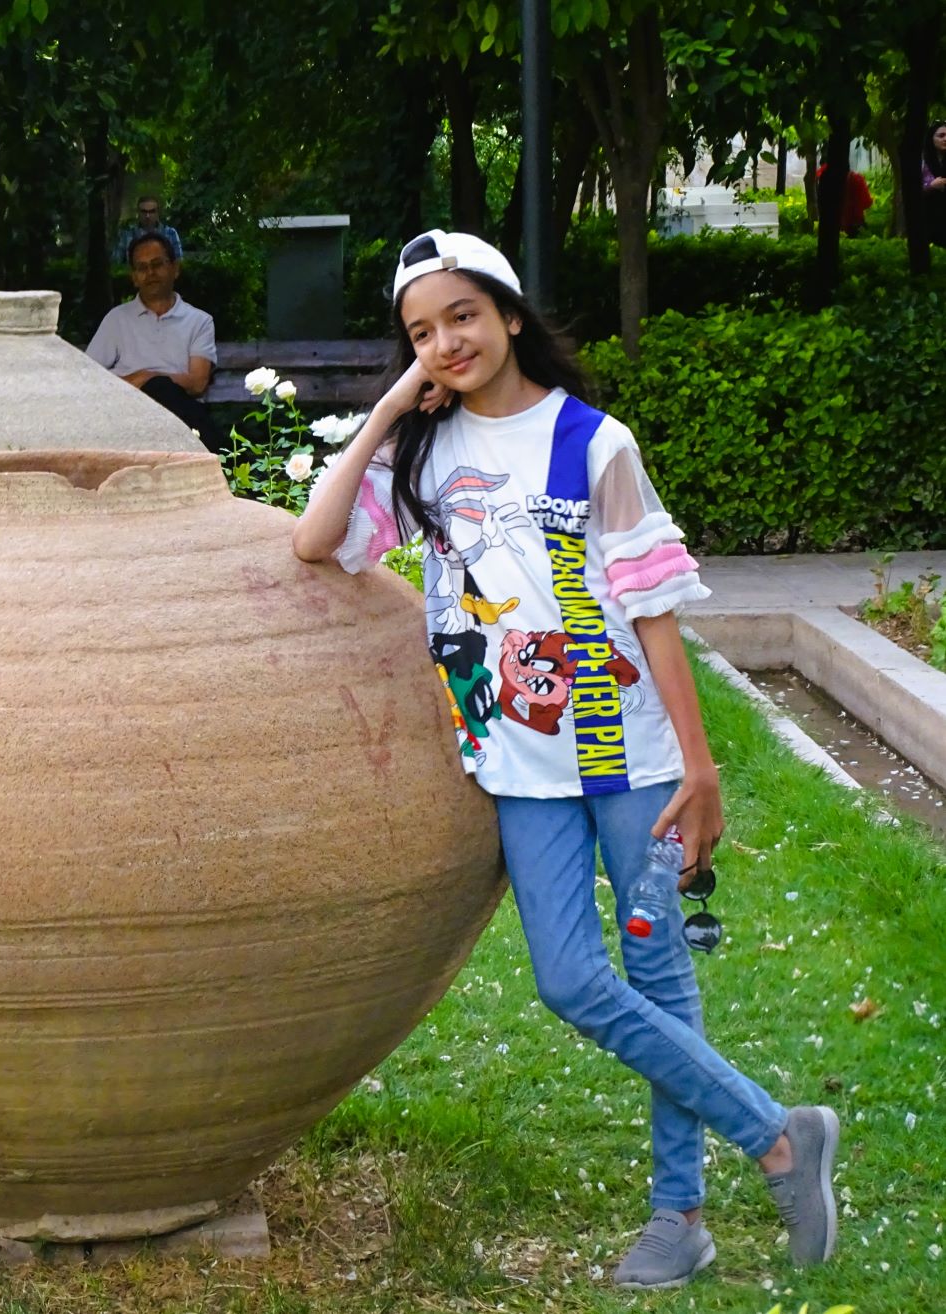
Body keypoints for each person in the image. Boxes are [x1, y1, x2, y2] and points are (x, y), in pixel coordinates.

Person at [293, 229, 840, 1291]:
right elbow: (317, 541)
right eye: (419, 332)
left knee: (654, 976)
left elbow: (652, 610)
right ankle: (777, 1137)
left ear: (506, 313)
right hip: (513, 761)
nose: (445, 342)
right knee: (568, 980)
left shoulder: (592, 444)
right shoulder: (423, 455)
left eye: (460, 316)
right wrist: (387, 410)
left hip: (621, 751)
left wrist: (700, 764)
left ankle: (677, 1217)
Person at [86, 231, 222, 452]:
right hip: (130, 416)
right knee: (157, 388)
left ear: (175, 268)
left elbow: (197, 383)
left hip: (181, 416)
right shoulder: (117, 319)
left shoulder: (199, 321)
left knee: (161, 387)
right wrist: (138, 381)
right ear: (134, 277)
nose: (150, 273)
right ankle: (234, 466)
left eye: (157, 264)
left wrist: (149, 376)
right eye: (141, 267)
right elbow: (89, 376)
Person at [112, 194, 183, 264]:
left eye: (152, 211)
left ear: (158, 213)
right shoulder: (127, 234)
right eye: (144, 211)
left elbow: (178, 262)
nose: (147, 216)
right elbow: (116, 263)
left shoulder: (170, 233)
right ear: (138, 213)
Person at [813, 163, 873, 236]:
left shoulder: (827, 178)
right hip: (855, 222)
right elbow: (867, 203)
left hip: (836, 224)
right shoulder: (857, 179)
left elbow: (823, 203)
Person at [922, 120, 946, 247]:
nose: (945, 139)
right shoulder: (922, 162)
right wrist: (931, 186)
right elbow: (911, 192)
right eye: (941, 136)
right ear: (932, 138)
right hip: (929, 219)